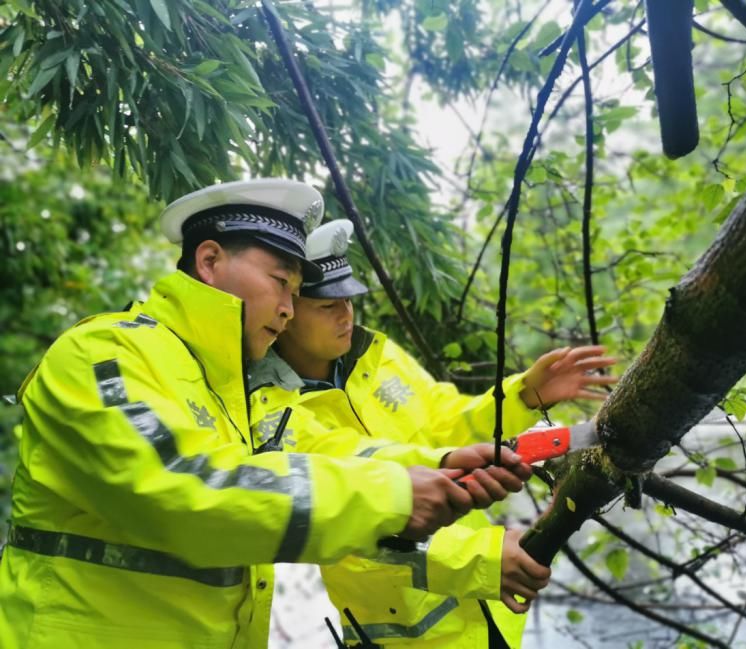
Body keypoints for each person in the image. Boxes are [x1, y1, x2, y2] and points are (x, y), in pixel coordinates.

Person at [0, 180, 529, 649]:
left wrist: (438, 461)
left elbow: (326, 453)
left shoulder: (233, 395)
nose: (287, 309)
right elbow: (184, 491)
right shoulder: (102, 354)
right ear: (209, 261)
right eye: (280, 283)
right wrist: (395, 497)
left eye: (298, 294)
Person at [248, 219, 618, 648]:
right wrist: (480, 560)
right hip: (413, 636)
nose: (346, 315)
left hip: (488, 615)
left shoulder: (377, 355)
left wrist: (524, 395)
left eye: (349, 299)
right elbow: (355, 501)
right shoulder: (269, 408)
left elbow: (449, 420)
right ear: (287, 311)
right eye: (327, 305)